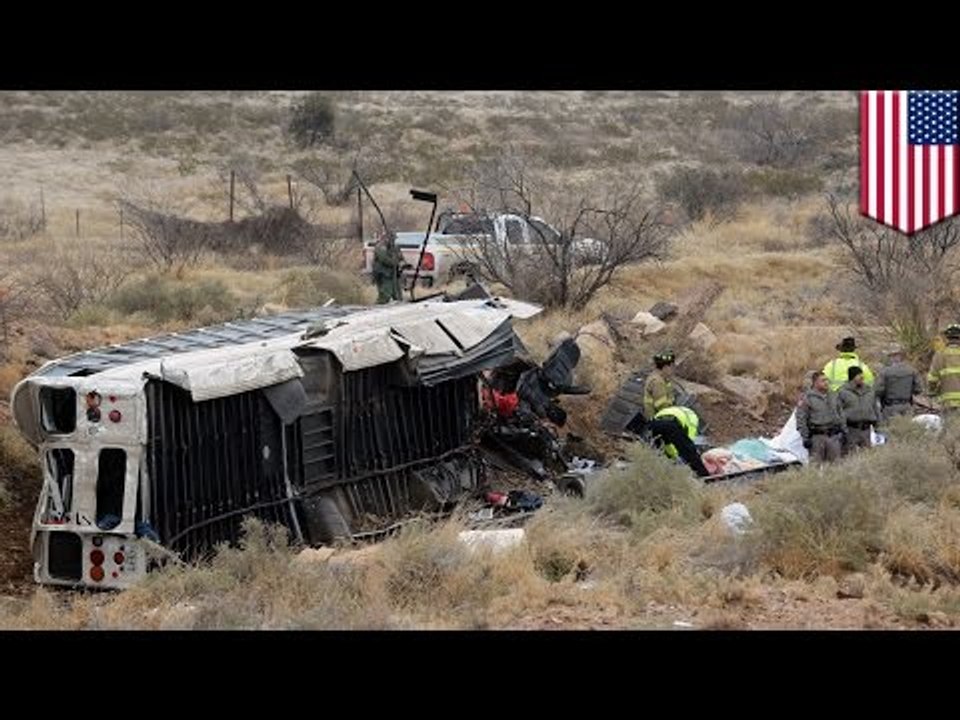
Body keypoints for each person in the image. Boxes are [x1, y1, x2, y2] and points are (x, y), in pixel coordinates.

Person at [648, 405, 711, 478]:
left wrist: (673, 457)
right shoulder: (693, 419)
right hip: (671, 424)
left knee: (659, 455)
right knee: (689, 452)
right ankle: (705, 476)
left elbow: (668, 446)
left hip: (653, 425)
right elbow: (688, 442)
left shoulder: (674, 410)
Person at [797, 370, 845, 463]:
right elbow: (801, 419)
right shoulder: (807, 398)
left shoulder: (833, 395)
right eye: (823, 381)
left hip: (833, 436)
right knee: (816, 466)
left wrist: (843, 430)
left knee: (836, 467)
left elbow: (841, 414)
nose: (826, 383)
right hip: (817, 437)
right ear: (815, 383)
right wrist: (805, 437)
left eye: (827, 380)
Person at [874, 344, 923, 421]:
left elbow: (878, 391)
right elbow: (918, 390)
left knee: (890, 431)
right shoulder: (912, 370)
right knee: (907, 431)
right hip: (907, 407)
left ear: (892, 356)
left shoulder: (885, 372)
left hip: (890, 408)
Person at [838, 366, 878, 452]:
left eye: (862, 374)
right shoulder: (842, 392)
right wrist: (844, 430)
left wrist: (878, 427)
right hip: (851, 430)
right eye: (859, 375)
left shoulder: (869, 391)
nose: (862, 377)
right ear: (853, 377)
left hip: (866, 430)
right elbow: (839, 412)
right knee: (850, 457)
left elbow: (876, 409)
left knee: (868, 456)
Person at [927, 323, 960, 412]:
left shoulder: (940, 354)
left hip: (947, 403)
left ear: (947, 338)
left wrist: (931, 392)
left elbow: (932, 379)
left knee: (950, 425)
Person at [643, 350, 677, 421]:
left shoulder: (660, 378)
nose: (673, 369)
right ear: (665, 367)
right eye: (671, 366)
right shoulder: (658, 382)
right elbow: (662, 407)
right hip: (658, 420)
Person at [372, 230, 404, 304]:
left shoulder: (395, 247)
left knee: (398, 295)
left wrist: (402, 264)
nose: (393, 240)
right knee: (385, 294)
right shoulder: (380, 247)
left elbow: (401, 257)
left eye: (394, 239)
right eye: (391, 238)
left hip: (394, 274)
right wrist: (395, 262)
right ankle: (378, 309)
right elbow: (384, 259)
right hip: (383, 274)